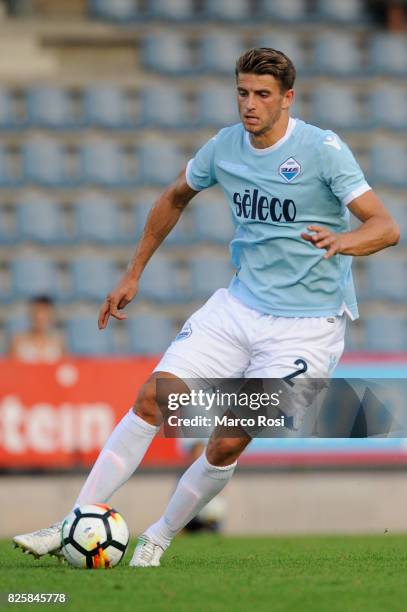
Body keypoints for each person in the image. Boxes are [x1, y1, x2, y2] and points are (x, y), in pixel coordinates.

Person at [13, 48, 399, 566]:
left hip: (306, 330)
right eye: (243, 92)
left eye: (263, 94)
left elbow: (385, 226)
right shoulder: (224, 148)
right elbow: (175, 195)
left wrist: (342, 241)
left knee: (225, 443)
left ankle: (158, 538)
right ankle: (69, 526)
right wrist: (134, 272)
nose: (250, 104)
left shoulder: (323, 150)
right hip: (237, 309)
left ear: (288, 98)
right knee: (152, 399)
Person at [9, 295, 65, 363]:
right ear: (31, 314)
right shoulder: (18, 341)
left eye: (44, 313)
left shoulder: (58, 342)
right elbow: (11, 368)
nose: (40, 317)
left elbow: (64, 366)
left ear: (51, 315)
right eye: (37, 312)